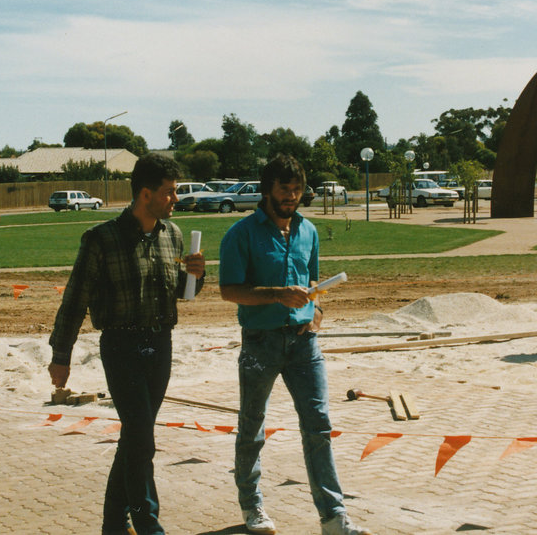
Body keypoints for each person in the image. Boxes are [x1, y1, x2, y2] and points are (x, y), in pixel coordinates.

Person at [47, 153, 205, 535]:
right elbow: (75, 298)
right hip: (121, 347)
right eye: (169, 193)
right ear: (145, 193)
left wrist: (197, 277)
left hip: (160, 345)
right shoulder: (102, 239)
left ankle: (113, 524)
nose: (176, 200)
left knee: (136, 436)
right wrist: (61, 355)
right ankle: (148, 524)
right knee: (141, 438)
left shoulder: (173, 236)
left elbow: (184, 296)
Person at [219, 154, 372, 535]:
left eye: (297, 189)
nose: (291, 196)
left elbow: (314, 281)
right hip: (261, 344)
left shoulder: (309, 231)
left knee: (319, 427)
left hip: (305, 346)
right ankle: (252, 508)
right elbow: (229, 290)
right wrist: (276, 295)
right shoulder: (241, 234)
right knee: (252, 427)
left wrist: (316, 314)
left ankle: (334, 518)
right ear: (266, 190)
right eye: (284, 189)